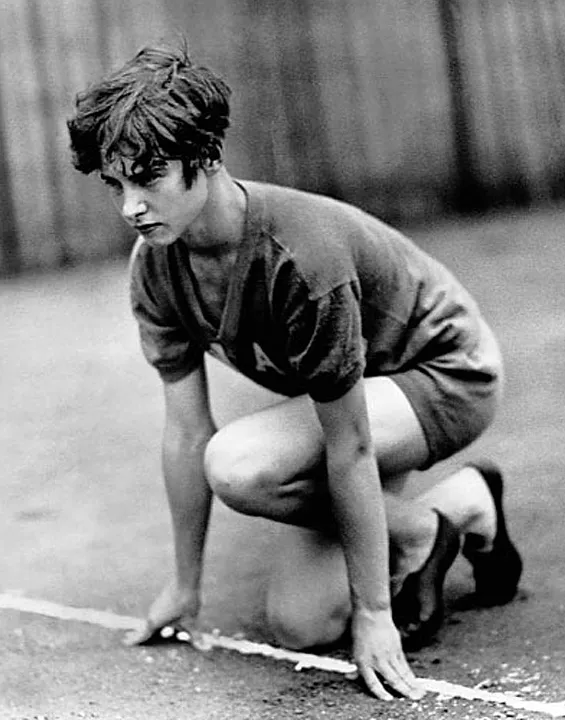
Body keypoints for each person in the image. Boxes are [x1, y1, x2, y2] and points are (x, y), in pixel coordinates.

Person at [67, 39, 522, 702]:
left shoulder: (300, 256)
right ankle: (455, 511)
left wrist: (375, 614)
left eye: (149, 176)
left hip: (443, 374)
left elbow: (351, 443)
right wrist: (186, 585)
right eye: (116, 184)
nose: (130, 206)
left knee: (241, 465)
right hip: (360, 396)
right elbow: (185, 433)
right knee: (303, 624)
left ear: (207, 156)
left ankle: (415, 538)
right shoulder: (156, 267)